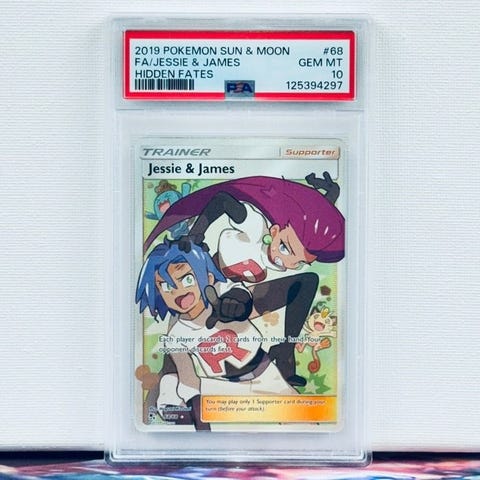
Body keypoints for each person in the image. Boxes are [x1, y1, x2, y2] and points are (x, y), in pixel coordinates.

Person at [143, 173, 345, 386]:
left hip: (235, 292)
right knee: (177, 340)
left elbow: (302, 226)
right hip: (204, 282)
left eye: (299, 262)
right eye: (285, 248)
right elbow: (222, 200)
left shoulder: (283, 255)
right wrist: (196, 235)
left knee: (307, 282)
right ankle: (168, 385)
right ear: (275, 230)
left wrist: (330, 196)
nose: (286, 261)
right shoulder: (255, 226)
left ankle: (285, 352)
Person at [136, 240, 297, 430]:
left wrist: (236, 304)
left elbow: (241, 295)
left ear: (209, 277)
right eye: (166, 287)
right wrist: (201, 425)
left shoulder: (222, 293)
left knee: (303, 418)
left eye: (187, 279)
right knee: (169, 383)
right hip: (227, 390)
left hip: (267, 379)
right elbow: (189, 381)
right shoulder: (175, 336)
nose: (179, 292)